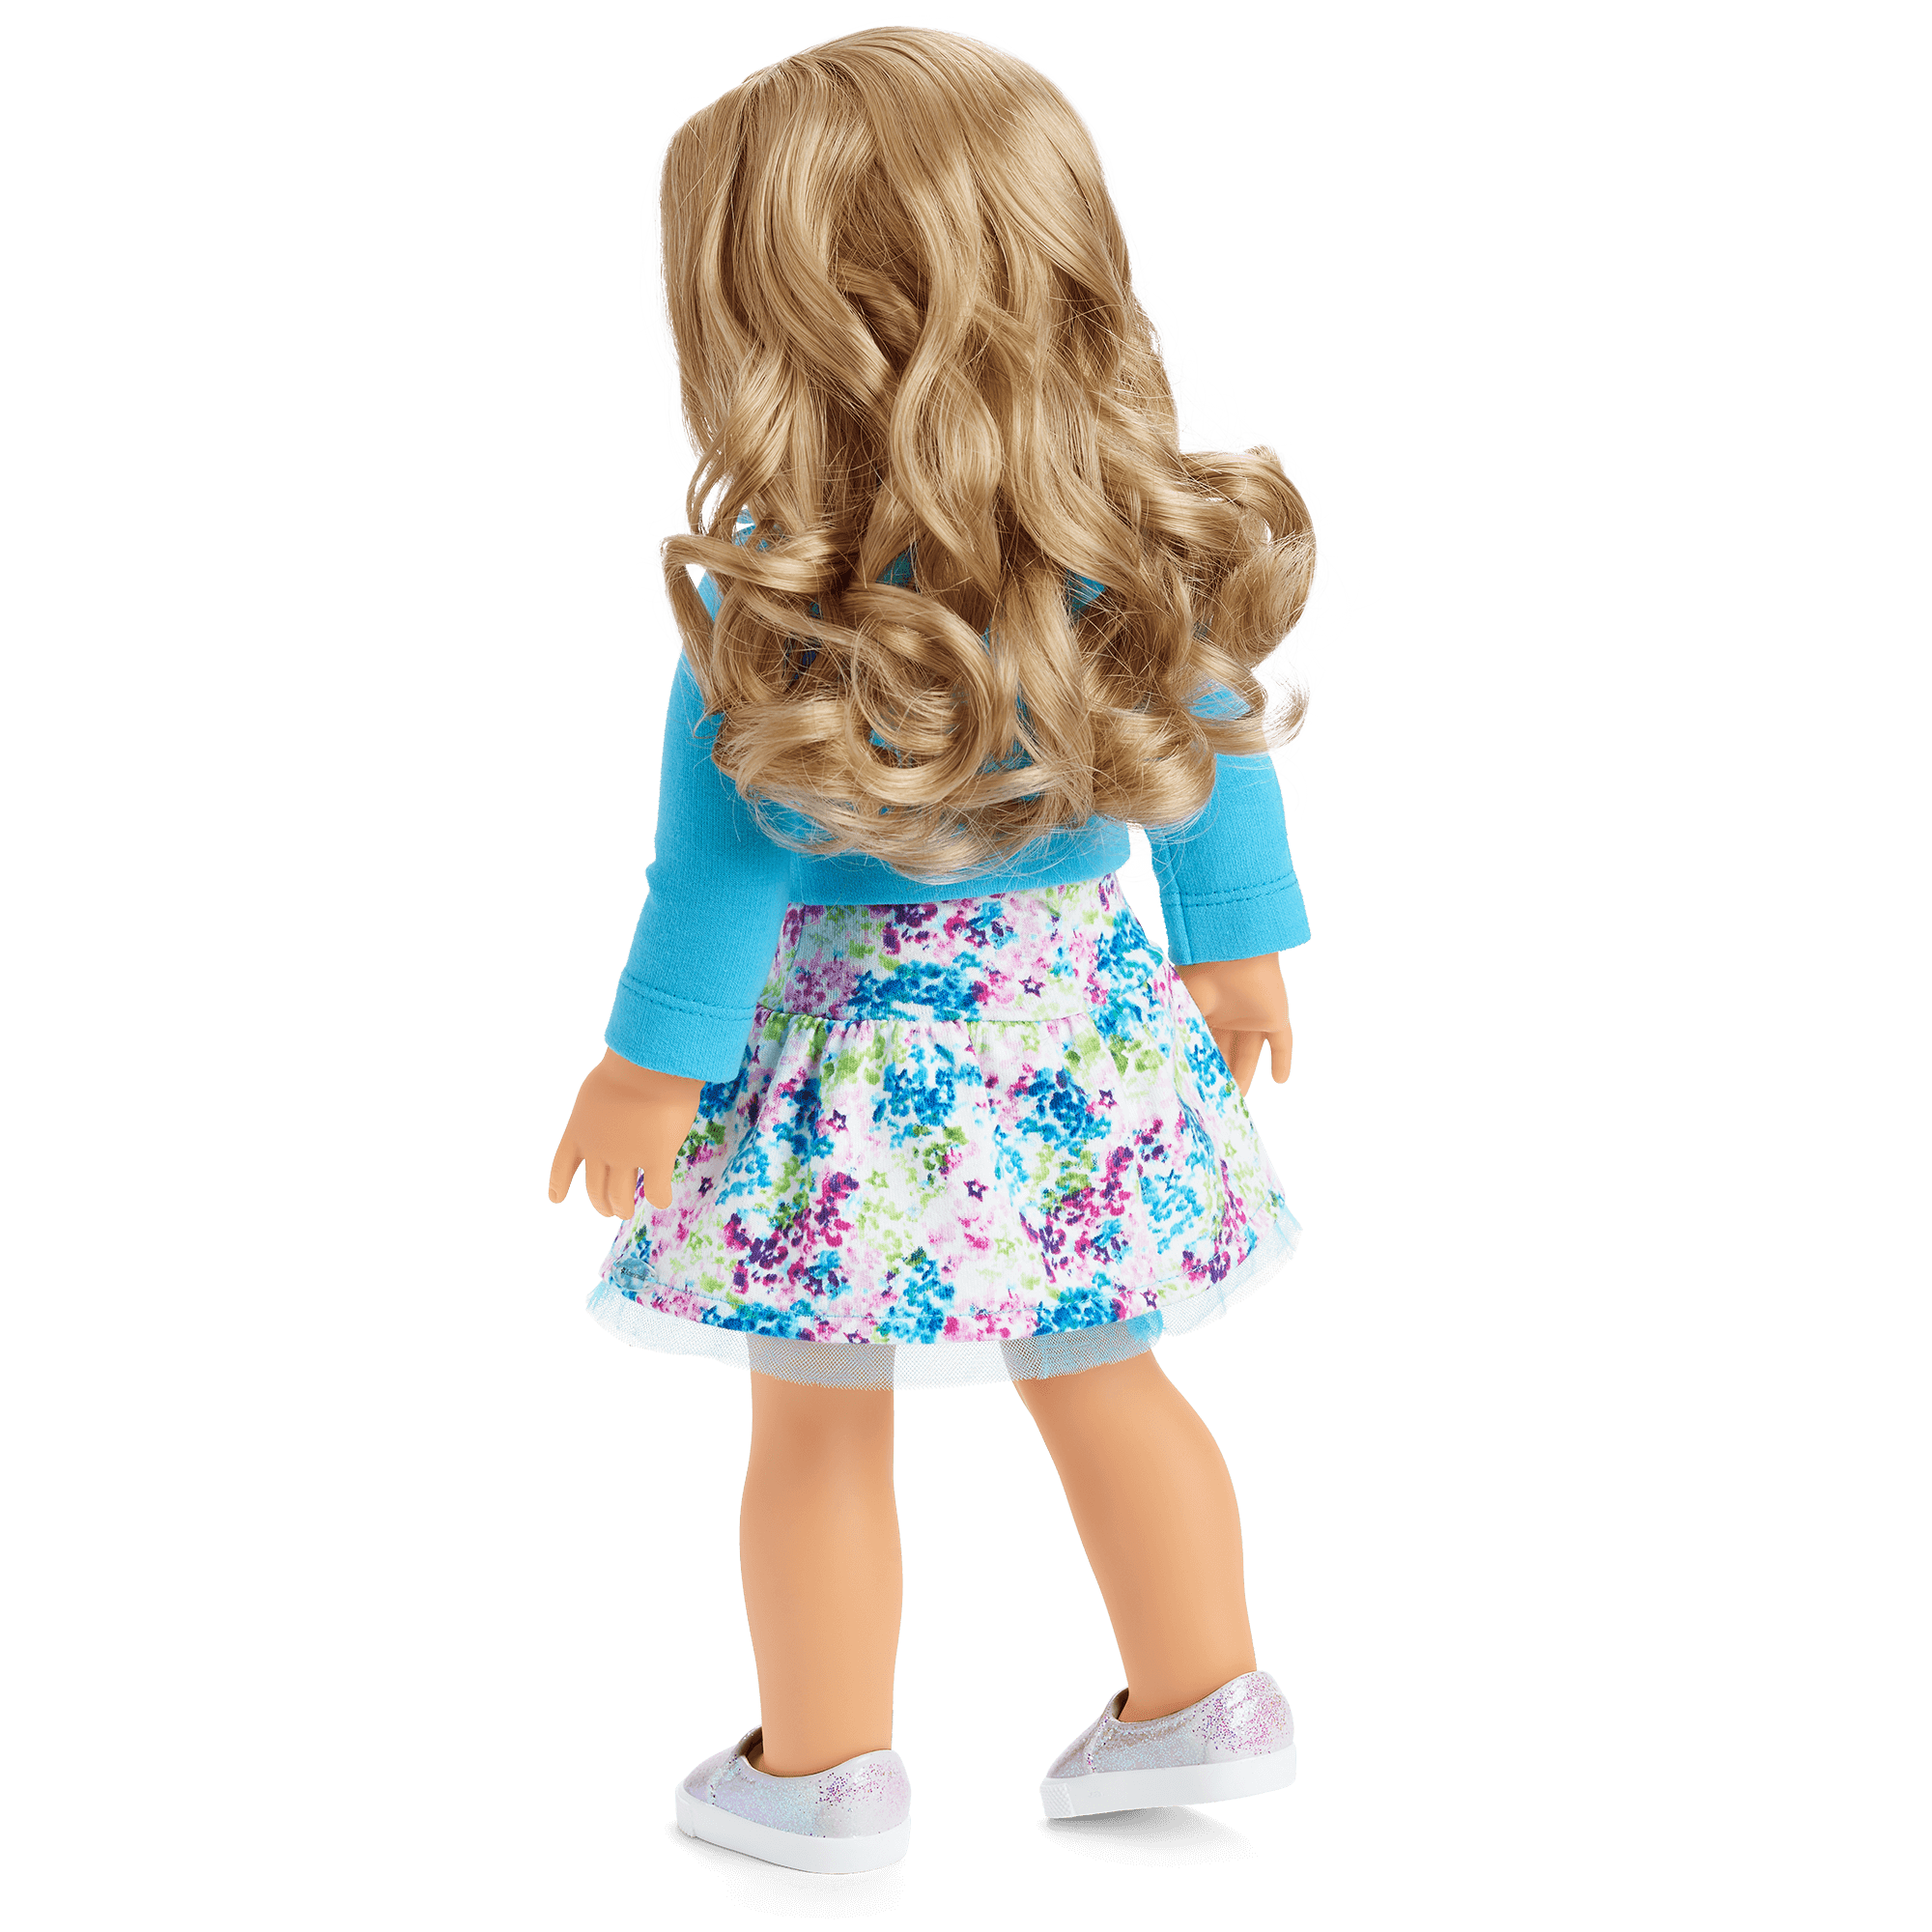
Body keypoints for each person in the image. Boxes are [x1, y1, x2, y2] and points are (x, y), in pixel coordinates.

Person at [548, 24, 1325, 1876]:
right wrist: (1238, 953)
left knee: (817, 1420)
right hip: (1072, 1040)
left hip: (847, 1066)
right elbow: (1213, 745)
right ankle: (1206, 1692)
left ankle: (824, 1772)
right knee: (1108, 1373)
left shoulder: (779, 590)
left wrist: (649, 1066)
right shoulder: (1129, 531)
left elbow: (713, 873)